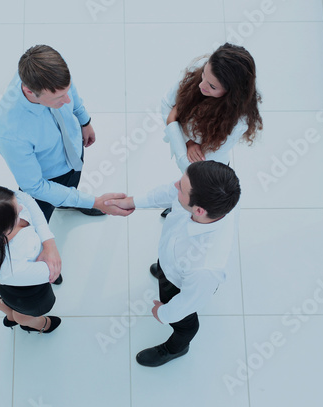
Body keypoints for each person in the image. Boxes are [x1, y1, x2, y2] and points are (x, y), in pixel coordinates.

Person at [106, 161, 241, 367]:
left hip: (181, 284)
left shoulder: (205, 267)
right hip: (171, 263)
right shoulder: (201, 197)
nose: (175, 185)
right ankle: (164, 271)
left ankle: (175, 348)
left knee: (184, 323)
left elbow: (188, 302)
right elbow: (169, 191)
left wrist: (163, 313)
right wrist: (133, 201)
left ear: (199, 211)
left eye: (181, 187)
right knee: (165, 269)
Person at [0, 44, 132, 223]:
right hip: (46, 179)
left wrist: (84, 120)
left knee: (71, 186)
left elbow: (70, 91)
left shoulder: (51, 70)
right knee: (36, 228)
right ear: (29, 91)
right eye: (58, 98)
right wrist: (94, 202)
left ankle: (68, 201)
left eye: (66, 92)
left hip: (72, 153)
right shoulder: (10, 133)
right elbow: (35, 186)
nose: (67, 101)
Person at [160, 42, 261, 217]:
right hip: (192, 157)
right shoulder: (204, 74)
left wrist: (172, 122)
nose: (201, 86)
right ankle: (180, 203)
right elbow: (166, 104)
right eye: (204, 75)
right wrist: (188, 142)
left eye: (212, 87)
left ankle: (182, 207)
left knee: (194, 197)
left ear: (232, 93)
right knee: (184, 189)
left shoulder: (238, 122)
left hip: (207, 171)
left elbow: (190, 166)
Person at [0, 186, 62, 334]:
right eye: (16, 212)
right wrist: (51, 253)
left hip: (3, 287)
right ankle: (40, 324)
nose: (21, 208)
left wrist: (49, 243)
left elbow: (26, 199)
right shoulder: (9, 267)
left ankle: (10, 317)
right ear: (2, 230)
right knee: (24, 315)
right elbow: (51, 272)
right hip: (28, 294)